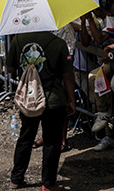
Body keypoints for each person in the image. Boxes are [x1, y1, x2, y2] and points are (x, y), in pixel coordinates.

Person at [7, 29, 76, 191]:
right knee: (52, 142)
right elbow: (68, 75)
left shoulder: (18, 40)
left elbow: (10, 68)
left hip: (29, 98)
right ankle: (48, 183)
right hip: (53, 99)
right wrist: (71, 100)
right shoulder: (58, 43)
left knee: (25, 137)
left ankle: (16, 179)